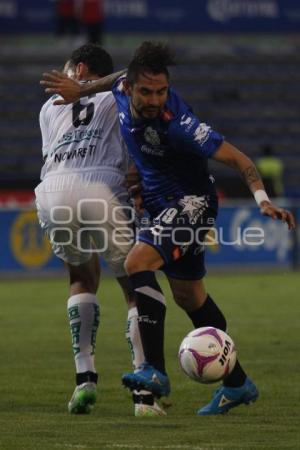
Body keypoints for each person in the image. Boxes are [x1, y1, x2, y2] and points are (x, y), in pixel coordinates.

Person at [40, 41, 295, 416]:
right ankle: (238, 383)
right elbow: (114, 77)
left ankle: (154, 371)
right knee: (190, 297)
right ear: (130, 87)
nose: (155, 99)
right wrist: (81, 90)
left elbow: (239, 160)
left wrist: (262, 200)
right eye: (147, 91)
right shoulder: (121, 90)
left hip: (191, 203)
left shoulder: (181, 126)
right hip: (161, 207)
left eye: (162, 91)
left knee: (137, 263)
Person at [36, 43, 166, 417]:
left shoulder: (49, 108)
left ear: (78, 68)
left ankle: (84, 381)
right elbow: (135, 74)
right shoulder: (119, 93)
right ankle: (143, 396)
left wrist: (80, 90)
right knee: (134, 284)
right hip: (103, 187)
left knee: (80, 276)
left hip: (52, 191)